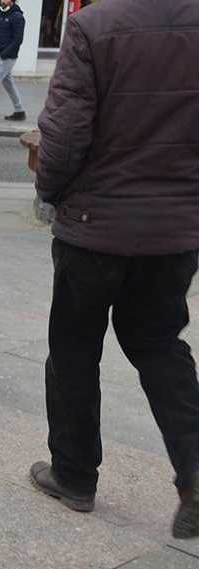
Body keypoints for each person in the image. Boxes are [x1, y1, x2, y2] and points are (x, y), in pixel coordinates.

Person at [31, 0, 199, 540]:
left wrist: (50, 192)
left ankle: (74, 474)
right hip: (174, 227)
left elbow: (66, 131)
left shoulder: (93, 26)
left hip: (94, 222)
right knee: (159, 342)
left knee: (75, 346)